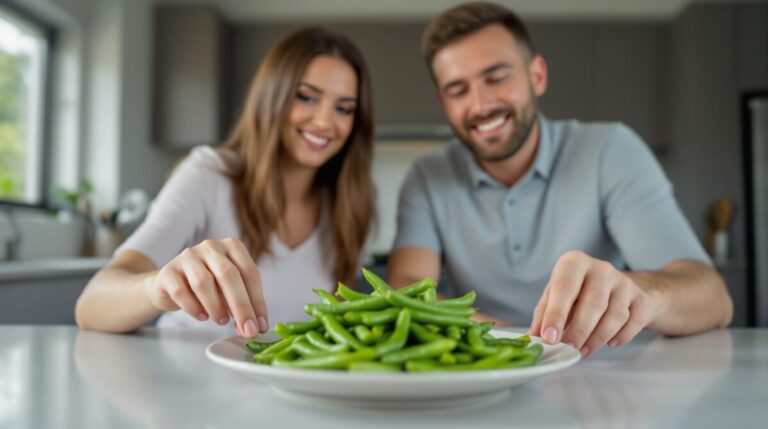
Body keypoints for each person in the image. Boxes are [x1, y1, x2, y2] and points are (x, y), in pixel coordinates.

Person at [387, 2, 733, 358]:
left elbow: (713, 297)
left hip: (598, 374)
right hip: (483, 367)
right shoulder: (427, 177)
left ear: (536, 76)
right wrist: (515, 342)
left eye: (497, 77)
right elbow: (409, 286)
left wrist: (639, 291)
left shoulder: (611, 150)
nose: (480, 104)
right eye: (458, 90)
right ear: (443, 103)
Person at [76, 27, 374, 339]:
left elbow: (336, 322)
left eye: (344, 108)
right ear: (271, 97)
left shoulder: (352, 204)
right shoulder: (208, 174)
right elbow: (91, 305)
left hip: (285, 383)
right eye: (307, 97)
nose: (326, 121)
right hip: (183, 379)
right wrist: (158, 287)